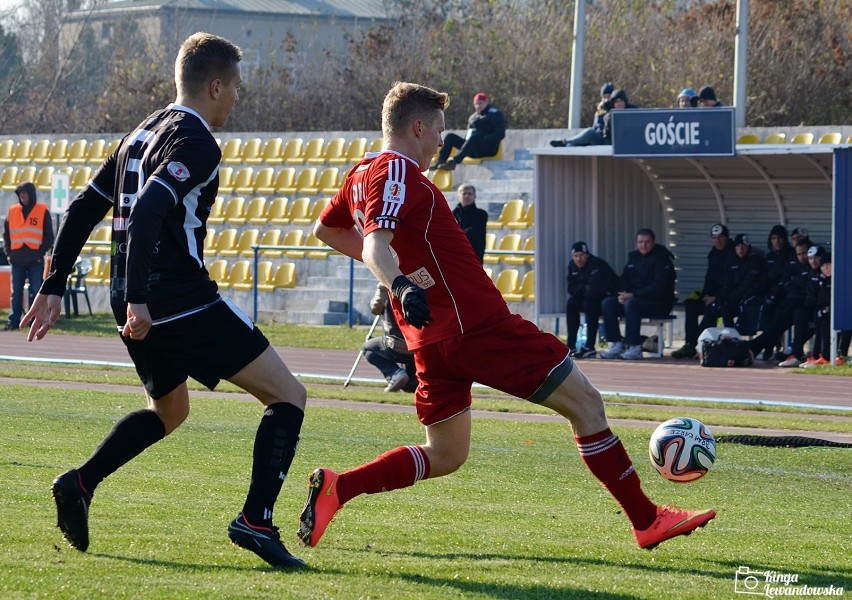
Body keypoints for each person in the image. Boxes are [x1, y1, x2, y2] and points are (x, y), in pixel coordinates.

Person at [302, 81, 716, 552]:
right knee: (587, 404)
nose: (441, 141)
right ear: (417, 127)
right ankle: (647, 519)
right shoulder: (396, 170)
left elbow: (326, 229)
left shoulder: (360, 174)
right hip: (477, 327)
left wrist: (404, 273)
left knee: (446, 453)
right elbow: (375, 244)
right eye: (438, 130)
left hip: (432, 338)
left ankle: (340, 487)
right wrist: (397, 280)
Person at [21, 32, 307, 569]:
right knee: (289, 396)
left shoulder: (141, 131)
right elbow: (150, 211)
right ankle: (256, 521)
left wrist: (55, 284)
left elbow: (84, 206)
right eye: (236, 88)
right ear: (215, 86)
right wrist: (142, 300)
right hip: (176, 300)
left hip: (136, 298)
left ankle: (80, 483)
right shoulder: (197, 142)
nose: (238, 98)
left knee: (170, 411)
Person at [600, 228, 676, 360]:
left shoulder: (662, 259)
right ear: (636, 243)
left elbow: (659, 287)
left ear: (653, 242)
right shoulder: (633, 258)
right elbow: (624, 279)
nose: (643, 245)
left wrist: (633, 295)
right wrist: (622, 294)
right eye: (640, 242)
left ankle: (634, 346)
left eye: (647, 242)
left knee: (632, 304)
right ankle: (616, 344)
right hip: (634, 300)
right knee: (608, 303)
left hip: (658, 303)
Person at [672, 224, 736, 360]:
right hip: (712, 295)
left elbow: (733, 283)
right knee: (691, 305)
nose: (718, 241)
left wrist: (715, 297)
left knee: (711, 310)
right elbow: (710, 277)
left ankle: (701, 345)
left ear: (727, 238)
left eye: (721, 237)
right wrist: (707, 294)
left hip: (727, 298)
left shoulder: (734, 254)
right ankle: (689, 343)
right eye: (714, 238)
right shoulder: (712, 254)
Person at [747, 239, 811, 366]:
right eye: (799, 254)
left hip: (806, 304)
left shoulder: (814, 265)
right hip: (792, 301)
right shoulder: (794, 264)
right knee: (776, 319)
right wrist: (795, 283)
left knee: (793, 317)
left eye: (804, 253)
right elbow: (786, 281)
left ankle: (756, 346)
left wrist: (795, 282)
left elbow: (806, 286)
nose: (802, 257)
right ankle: (757, 346)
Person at [3, 181, 55, 331]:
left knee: (37, 290)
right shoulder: (12, 211)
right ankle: (14, 321)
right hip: (17, 259)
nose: (22, 196)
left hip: (35, 260)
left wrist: (39, 253)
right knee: (16, 292)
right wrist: (9, 253)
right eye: (20, 194)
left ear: (31, 194)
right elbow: (6, 235)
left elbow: (49, 237)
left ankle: (35, 320)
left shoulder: (42, 211)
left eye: (25, 194)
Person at [565, 241, 618, 358]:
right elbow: (571, 289)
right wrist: (584, 287)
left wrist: (581, 288)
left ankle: (590, 346)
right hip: (587, 298)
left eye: (581, 255)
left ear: (587, 255)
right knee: (571, 303)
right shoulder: (572, 265)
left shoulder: (598, 265)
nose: (579, 259)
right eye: (576, 256)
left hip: (606, 301)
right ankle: (571, 345)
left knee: (590, 303)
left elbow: (595, 291)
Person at [364, 282, 418, 392]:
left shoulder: (386, 284)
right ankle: (414, 381)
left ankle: (394, 373)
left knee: (368, 348)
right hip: (419, 343)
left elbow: (375, 309)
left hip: (397, 344)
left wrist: (381, 289)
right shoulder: (418, 283)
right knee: (409, 386)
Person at [431, 92, 505, 171]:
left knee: (475, 137)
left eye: (481, 103)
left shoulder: (495, 114)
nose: (478, 106)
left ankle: (454, 162)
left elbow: (501, 133)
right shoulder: (473, 117)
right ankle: (440, 161)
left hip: (488, 148)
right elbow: (469, 134)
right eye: (476, 104)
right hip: (472, 147)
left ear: (487, 102)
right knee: (450, 137)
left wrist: (484, 139)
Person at [550, 82, 614, 147]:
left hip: (605, 140)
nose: (606, 99)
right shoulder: (599, 111)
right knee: (571, 145)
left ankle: (566, 141)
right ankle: (567, 143)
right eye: (604, 97)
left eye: (608, 97)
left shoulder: (613, 109)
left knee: (590, 132)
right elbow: (595, 127)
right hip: (595, 139)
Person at [452, 184, 488, 263]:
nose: (467, 196)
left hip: (474, 256)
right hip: (455, 257)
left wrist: (455, 235)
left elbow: (474, 232)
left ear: (474, 196)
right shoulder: (452, 215)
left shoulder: (481, 214)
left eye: (469, 193)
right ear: (459, 196)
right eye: (464, 193)